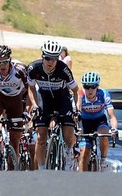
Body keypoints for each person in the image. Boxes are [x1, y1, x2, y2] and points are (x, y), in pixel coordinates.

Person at [26, 40, 79, 171]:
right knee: (40, 137)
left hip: (63, 100)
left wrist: (76, 108)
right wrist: (35, 105)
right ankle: (42, 169)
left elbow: (76, 90)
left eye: (54, 59)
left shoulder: (63, 69)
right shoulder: (33, 68)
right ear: (42, 56)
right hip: (45, 101)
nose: (51, 62)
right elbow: (31, 89)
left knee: (68, 134)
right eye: (47, 58)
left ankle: (69, 153)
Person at [0, 44, 29, 170]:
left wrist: (26, 111)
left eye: (4, 62)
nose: (2, 66)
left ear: (10, 60)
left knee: (15, 138)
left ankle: (12, 167)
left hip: (16, 99)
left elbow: (30, 91)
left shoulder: (20, 70)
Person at [77, 71, 118, 172]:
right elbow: (75, 116)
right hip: (85, 122)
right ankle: (81, 179)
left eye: (93, 87)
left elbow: (112, 116)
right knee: (84, 154)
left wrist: (114, 129)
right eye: (87, 87)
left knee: (103, 135)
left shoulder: (104, 94)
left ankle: (103, 160)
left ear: (97, 87)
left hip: (99, 121)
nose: (90, 90)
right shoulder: (80, 95)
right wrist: (76, 128)